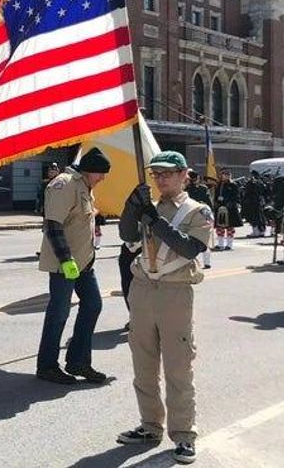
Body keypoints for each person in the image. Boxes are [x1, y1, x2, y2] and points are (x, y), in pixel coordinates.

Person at [117, 151, 212, 465]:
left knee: (178, 366)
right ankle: (149, 426)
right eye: (156, 174)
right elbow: (128, 237)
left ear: (184, 175)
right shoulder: (150, 206)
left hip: (174, 292)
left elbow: (189, 247)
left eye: (168, 173)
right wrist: (132, 208)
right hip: (143, 289)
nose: (160, 179)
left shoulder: (197, 210)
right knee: (143, 364)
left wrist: (155, 221)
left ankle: (183, 434)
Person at [36, 147, 111, 385]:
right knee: (59, 313)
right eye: (101, 173)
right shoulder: (65, 184)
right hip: (65, 263)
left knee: (93, 305)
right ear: (89, 170)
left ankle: (78, 361)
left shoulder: (84, 186)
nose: (103, 178)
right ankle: (47, 366)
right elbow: (53, 225)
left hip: (84, 263)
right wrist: (66, 259)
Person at [186, 170, 214, 269]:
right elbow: (208, 202)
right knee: (204, 239)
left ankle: (193, 262)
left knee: (190, 239)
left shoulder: (185, 189)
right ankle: (207, 262)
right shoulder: (202, 188)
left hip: (192, 214)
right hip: (200, 214)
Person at [212, 168, 242, 251]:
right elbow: (216, 196)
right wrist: (216, 203)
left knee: (230, 228)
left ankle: (229, 245)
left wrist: (229, 204)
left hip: (230, 209)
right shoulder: (218, 185)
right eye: (223, 174)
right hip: (219, 208)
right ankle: (220, 244)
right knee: (219, 228)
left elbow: (236, 197)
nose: (225, 176)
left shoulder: (233, 185)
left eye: (227, 174)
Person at [241, 170, 267, 238]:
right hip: (259, 201)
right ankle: (261, 231)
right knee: (260, 217)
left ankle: (256, 232)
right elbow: (264, 191)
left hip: (251, 202)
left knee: (253, 217)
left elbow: (247, 192)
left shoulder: (251, 182)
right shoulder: (261, 182)